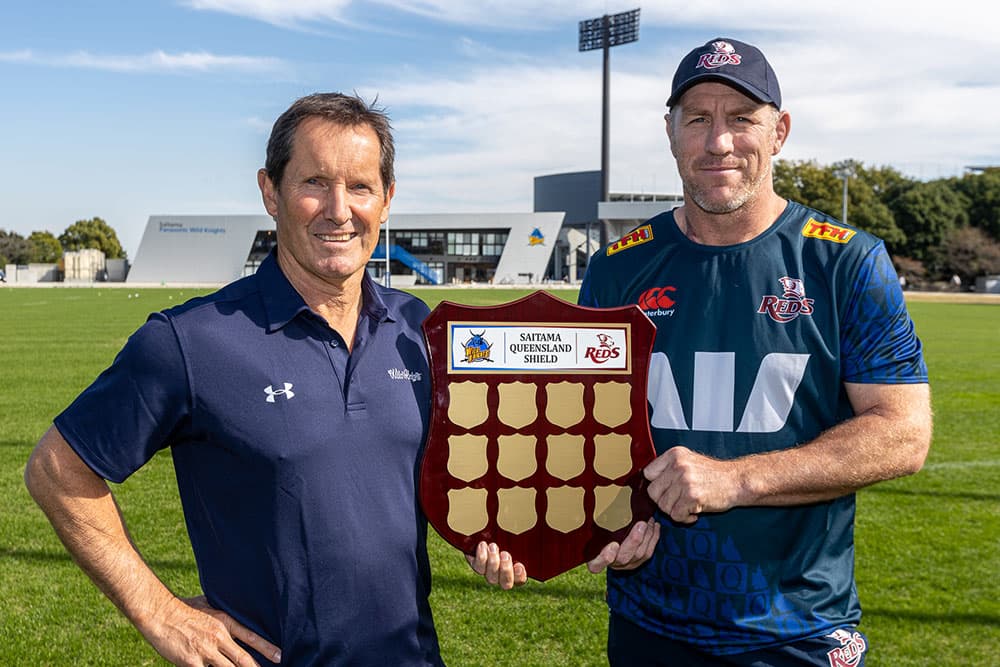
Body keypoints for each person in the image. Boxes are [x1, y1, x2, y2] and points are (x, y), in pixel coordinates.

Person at [24, 92, 524, 667]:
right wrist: (159, 612)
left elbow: (446, 479)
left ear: (387, 200)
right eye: (315, 182)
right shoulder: (191, 340)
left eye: (360, 186)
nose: (339, 209)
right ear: (271, 192)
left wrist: (488, 537)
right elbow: (55, 469)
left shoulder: (420, 329)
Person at [579, 38, 932, 665]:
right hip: (646, 620)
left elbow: (904, 433)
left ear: (780, 131)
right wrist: (603, 525)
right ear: (670, 133)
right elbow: (588, 432)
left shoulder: (845, 261)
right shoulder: (615, 268)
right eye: (697, 119)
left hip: (796, 628)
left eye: (742, 118)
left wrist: (736, 479)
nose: (718, 142)